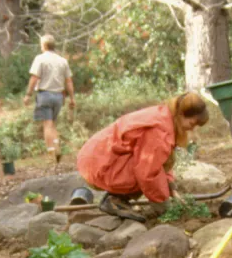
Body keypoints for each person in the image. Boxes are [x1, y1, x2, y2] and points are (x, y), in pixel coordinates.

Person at [76, 92, 210, 218]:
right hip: (98, 164)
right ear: (181, 114)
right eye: (192, 123)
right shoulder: (159, 131)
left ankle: (117, 199)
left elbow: (164, 161)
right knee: (146, 171)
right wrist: (163, 206)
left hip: (100, 159)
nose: (192, 129)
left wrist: (171, 187)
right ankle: (115, 200)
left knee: (156, 166)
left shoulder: (166, 116)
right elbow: (148, 173)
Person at [23, 35, 75, 162]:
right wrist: (72, 98)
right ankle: (57, 146)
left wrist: (28, 94)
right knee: (53, 124)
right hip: (58, 96)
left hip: (44, 95)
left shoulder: (40, 59)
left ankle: (51, 153)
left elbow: (34, 78)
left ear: (44, 46)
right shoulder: (63, 61)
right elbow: (68, 81)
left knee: (47, 124)